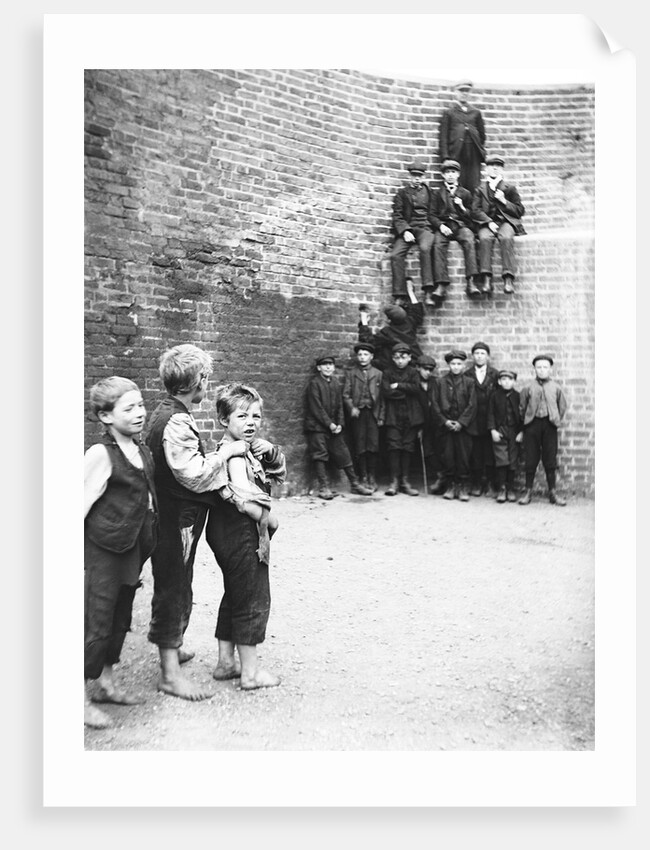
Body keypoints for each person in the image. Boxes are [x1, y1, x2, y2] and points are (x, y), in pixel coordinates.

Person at [145, 344, 243, 701]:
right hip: (175, 519)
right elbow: (194, 474)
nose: (208, 384)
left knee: (178, 581)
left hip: (173, 515)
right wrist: (225, 453)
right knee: (173, 585)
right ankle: (169, 674)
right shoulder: (176, 421)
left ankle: (173, 647)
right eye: (206, 378)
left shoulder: (167, 412)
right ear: (195, 382)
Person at [84, 377, 158, 729]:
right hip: (102, 552)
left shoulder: (142, 451)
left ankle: (106, 684)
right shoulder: (100, 454)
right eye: (129, 408)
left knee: (119, 618)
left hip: (130, 550)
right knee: (95, 621)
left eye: (140, 405)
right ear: (106, 417)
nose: (139, 412)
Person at [206, 383, 286, 690]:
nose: (251, 422)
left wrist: (269, 451)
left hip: (223, 531)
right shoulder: (236, 456)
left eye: (256, 415)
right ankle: (250, 674)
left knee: (235, 592)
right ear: (224, 420)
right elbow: (243, 499)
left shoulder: (241, 448)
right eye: (242, 416)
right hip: (240, 532)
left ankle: (226, 662)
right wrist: (269, 518)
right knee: (252, 596)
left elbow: (275, 469)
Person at [304, 354, 374, 500]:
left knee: (344, 453)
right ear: (319, 368)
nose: (328, 367)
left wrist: (340, 424)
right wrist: (329, 424)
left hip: (334, 427)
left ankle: (354, 484)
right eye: (324, 365)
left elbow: (339, 406)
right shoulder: (314, 384)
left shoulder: (335, 383)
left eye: (330, 365)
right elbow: (317, 408)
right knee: (320, 455)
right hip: (317, 427)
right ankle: (324, 487)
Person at [472, 153, 526, 296]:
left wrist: (504, 201)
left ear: (502, 169)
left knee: (506, 238)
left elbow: (520, 211)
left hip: (506, 222)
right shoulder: (480, 189)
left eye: (498, 166)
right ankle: (486, 279)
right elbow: (475, 211)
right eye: (491, 166)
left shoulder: (510, 188)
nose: (494, 169)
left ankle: (508, 279)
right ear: (486, 169)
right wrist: (488, 222)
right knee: (484, 238)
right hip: (487, 223)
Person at [518, 354, 568, 506]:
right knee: (531, 458)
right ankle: (528, 492)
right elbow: (522, 407)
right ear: (534, 369)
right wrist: (527, 422)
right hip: (532, 425)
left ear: (550, 369)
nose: (542, 370)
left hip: (549, 425)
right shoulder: (528, 388)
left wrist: (554, 419)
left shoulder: (556, 388)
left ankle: (552, 492)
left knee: (550, 459)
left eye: (545, 367)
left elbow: (562, 407)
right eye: (538, 367)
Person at [430, 158, 481, 303]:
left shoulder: (466, 193)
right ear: (443, 175)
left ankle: (471, 281)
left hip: (460, 226)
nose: (450, 175)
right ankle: (441, 285)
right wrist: (441, 226)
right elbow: (431, 215)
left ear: (458, 174)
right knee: (438, 244)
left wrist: (462, 207)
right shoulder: (437, 193)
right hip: (445, 227)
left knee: (469, 239)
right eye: (447, 172)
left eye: (453, 172)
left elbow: (472, 215)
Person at [389, 158, 436, 303]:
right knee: (395, 255)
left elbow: (434, 214)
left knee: (425, 248)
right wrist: (405, 231)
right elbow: (397, 215)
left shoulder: (431, 193)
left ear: (423, 177)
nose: (417, 179)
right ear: (410, 176)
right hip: (409, 229)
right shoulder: (402, 194)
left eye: (419, 176)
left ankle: (428, 291)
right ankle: (400, 294)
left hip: (425, 228)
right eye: (414, 175)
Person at [380, 342, 424, 496]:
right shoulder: (387, 373)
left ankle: (405, 481)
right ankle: (394, 481)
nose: (400, 361)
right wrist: (405, 392)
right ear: (393, 358)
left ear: (409, 358)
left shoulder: (413, 372)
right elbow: (386, 391)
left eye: (403, 357)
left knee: (407, 447)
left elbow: (416, 389)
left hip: (411, 416)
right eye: (397, 357)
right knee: (394, 447)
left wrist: (398, 385)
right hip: (393, 416)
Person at [342, 341, 385, 493]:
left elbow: (382, 398)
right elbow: (346, 394)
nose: (362, 357)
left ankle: (372, 477)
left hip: (373, 413)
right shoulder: (351, 373)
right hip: (358, 414)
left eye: (365, 354)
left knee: (373, 446)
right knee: (360, 446)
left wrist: (381, 416)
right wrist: (352, 408)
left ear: (371, 356)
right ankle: (363, 476)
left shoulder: (378, 374)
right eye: (360, 354)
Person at [436, 350, 478, 501]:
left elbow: (472, 405)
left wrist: (461, 422)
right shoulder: (440, 382)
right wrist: (445, 421)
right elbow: (435, 404)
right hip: (446, 427)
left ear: (463, 365)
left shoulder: (469, 382)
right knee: (448, 456)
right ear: (448, 365)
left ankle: (462, 486)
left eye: (459, 364)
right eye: (453, 364)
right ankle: (450, 486)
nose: (455, 367)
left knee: (463, 457)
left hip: (463, 428)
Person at [358, 278, 424, 372]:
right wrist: (411, 292)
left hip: (396, 367)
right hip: (415, 363)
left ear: (389, 320)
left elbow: (369, 341)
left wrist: (364, 322)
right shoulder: (410, 322)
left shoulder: (388, 332)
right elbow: (417, 312)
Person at [438, 80, 486, 194]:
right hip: (456, 153)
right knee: (458, 183)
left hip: (473, 154)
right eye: (461, 91)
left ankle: (473, 204)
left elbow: (482, 135)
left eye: (467, 91)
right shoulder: (449, 113)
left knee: (474, 183)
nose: (464, 93)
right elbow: (443, 137)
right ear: (456, 92)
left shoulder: (476, 112)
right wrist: (445, 157)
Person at [465, 341, 500, 496]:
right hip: (473, 420)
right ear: (473, 356)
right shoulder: (467, 375)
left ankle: (491, 484)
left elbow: (498, 398)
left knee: (491, 453)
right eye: (477, 353)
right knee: (476, 453)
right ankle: (477, 483)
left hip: (490, 419)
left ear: (488, 356)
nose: (479, 356)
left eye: (482, 353)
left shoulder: (495, 374)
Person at [487, 369, 524, 503]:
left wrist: (522, 432)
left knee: (513, 460)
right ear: (499, 381)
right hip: (500, 430)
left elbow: (523, 415)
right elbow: (490, 414)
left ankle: (510, 488)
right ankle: (501, 488)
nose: (506, 382)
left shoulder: (518, 396)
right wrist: (493, 430)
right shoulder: (494, 396)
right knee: (501, 459)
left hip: (514, 431)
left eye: (510, 379)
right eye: (503, 379)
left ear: (514, 382)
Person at [415, 354, 446, 494]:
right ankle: (439, 476)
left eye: (430, 370)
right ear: (418, 368)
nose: (428, 372)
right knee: (427, 450)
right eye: (425, 369)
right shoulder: (413, 382)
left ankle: (442, 478)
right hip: (421, 422)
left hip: (436, 422)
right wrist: (418, 425)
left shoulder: (435, 383)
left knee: (440, 449)